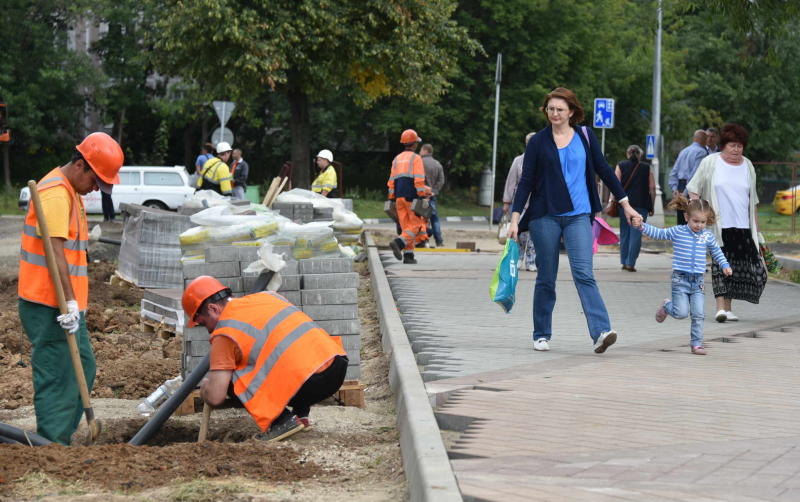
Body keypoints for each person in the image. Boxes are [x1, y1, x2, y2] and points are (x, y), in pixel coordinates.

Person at [507, 87, 640, 354]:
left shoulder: (586, 136)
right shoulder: (538, 142)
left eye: (559, 109)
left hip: (579, 215)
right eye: (550, 109)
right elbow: (526, 183)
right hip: (545, 216)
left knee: (584, 273)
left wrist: (625, 204)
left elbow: (604, 170)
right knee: (546, 276)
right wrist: (514, 218)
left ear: (571, 111)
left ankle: (601, 331)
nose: (554, 113)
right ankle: (541, 333)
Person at [18, 132, 123, 444]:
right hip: (49, 304)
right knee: (56, 373)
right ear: (81, 165)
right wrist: (69, 302)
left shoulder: (70, 191)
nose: (95, 190)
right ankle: (52, 444)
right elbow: (55, 253)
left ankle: (58, 436)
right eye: (96, 181)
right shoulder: (54, 193)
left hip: (65, 305)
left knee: (83, 366)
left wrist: (75, 303)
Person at [183, 276, 349, 442]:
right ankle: (300, 416)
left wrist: (206, 389)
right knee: (291, 357)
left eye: (204, 324)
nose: (208, 330)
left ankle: (283, 421)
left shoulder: (224, 333)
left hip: (309, 382)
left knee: (234, 380)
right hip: (336, 365)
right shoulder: (268, 297)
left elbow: (215, 396)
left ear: (213, 309)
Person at [687, 123, 766, 323]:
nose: (736, 150)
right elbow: (694, 187)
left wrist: (757, 230)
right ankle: (720, 308)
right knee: (720, 265)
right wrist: (698, 212)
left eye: (739, 146)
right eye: (732, 145)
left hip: (742, 226)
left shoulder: (747, 165)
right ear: (723, 145)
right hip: (717, 226)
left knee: (740, 267)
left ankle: (728, 309)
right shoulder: (710, 162)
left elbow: (753, 200)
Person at [633, 196, 732, 355]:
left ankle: (697, 344)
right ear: (687, 217)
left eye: (703, 222)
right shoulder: (678, 231)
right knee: (680, 313)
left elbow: (717, 252)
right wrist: (641, 226)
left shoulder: (707, 236)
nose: (699, 225)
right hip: (680, 280)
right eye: (695, 221)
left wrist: (725, 265)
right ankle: (666, 306)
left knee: (698, 314)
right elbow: (659, 233)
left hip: (698, 281)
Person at [387, 129, 431, 264]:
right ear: (414, 144)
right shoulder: (416, 158)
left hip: (399, 197)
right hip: (412, 197)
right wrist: (423, 195)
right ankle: (398, 242)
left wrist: (392, 198)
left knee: (406, 227)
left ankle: (408, 256)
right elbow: (418, 180)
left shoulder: (396, 159)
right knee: (416, 226)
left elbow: (391, 181)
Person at [614, 145, 655, 272]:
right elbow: (652, 188)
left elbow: (615, 184)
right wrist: (652, 204)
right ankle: (631, 263)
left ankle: (624, 262)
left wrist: (612, 201)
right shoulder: (647, 168)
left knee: (625, 233)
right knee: (636, 234)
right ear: (640, 155)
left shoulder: (620, 166)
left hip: (624, 205)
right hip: (641, 205)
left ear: (628, 154)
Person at [502, 132, 537, 271]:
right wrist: (507, 201)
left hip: (536, 203)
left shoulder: (544, 160)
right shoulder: (519, 160)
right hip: (520, 203)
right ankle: (519, 258)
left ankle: (531, 261)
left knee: (534, 234)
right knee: (519, 233)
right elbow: (511, 182)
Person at [668, 130, 707, 225]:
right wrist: (685, 194)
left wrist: (675, 190)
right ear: (704, 139)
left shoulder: (684, 151)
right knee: (694, 221)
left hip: (680, 188)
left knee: (681, 221)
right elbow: (695, 175)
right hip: (691, 190)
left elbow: (674, 172)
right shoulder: (702, 152)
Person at [420, 143, 445, 247]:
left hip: (420, 196)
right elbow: (441, 180)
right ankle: (439, 241)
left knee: (421, 219)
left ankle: (424, 240)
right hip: (432, 196)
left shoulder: (419, 162)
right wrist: (434, 191)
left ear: (425, 151)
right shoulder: (437, 164)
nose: (419, 152)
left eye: (421, 150)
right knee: (434, 219)